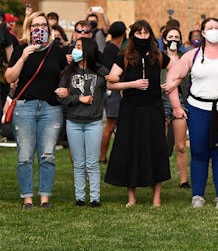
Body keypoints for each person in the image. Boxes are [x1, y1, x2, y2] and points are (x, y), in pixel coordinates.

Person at [164, 18, 218, 209]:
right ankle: (198, 195)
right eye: (210, 28)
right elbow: (172, 79)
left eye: (217, 28)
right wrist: (177, 107)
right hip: (198, 109)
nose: (214, 31)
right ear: (202, 33)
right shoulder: (192, 55)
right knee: (199, 153)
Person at [104, 19, 177, 207]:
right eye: (139, 33)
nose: (143, 37)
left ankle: (157, 197)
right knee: (131, 149)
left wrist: (171, 83)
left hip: (153, 108)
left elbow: (178, 69)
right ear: (132, 36)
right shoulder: (124, 57)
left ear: (151, 36)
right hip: (131, 109)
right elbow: (111, 82)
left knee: (156, 149)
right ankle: (131, 197)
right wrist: (131, 85)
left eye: (146, 33)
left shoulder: (158, 56)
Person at [5, 11, 68, 209]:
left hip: (50, 108)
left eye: (42, 25)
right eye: (34, 25)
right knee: (25, 155)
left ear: (48, 29)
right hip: (25, 107)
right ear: (29, 28)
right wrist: (23, 57)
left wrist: (66, 89)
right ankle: (27, 198)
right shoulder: (21, 49)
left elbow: (65, 76)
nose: (39, 28)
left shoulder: (56, 51)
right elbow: (9, 77)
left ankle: (45, 198)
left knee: (47, 154)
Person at [55, 38, 107, 207]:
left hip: (94, 122)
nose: (74, 50)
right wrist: (79, 98)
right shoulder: (68, 73)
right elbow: (60, 96)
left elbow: (111, 80)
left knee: (92, 162)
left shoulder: (99, 72)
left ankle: (94, 198)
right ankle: (79, 197)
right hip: (74, 122)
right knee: (78, 163)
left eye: (78, 47)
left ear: (88, 50)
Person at [160, 26, 190, 189]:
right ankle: (159, 177)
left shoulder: (185, 59)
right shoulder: (158, 58)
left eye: (176, 37)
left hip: (180, 101)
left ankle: (183, 181)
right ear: (164, 39)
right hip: (160, 101)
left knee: (180, 145)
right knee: (161, 143)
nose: (173, 40)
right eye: (170, 36)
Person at [99, 21, 127, 164]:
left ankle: (107, 156)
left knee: (112, 125)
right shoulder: (111, 49)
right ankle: (102, 157)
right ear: (123, 33)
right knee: (110, 125)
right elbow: (109, 72)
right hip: (114, 91)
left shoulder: (114, 47)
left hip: (117, 89)